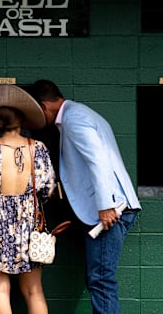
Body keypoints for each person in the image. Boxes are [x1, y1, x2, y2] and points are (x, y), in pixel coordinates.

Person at [30, 79, 141, 314]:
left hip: (110, 212)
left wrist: (105, 205)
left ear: (43, 105)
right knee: (100, 280)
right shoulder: (79, 114)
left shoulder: (74, 119)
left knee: (101, 281)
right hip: (112, 209)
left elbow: (98, 160)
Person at [0, 84, 56, 314]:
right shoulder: (39, 149)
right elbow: (47, 190)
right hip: (29, 221)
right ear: (23, 120)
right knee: (34, 290)